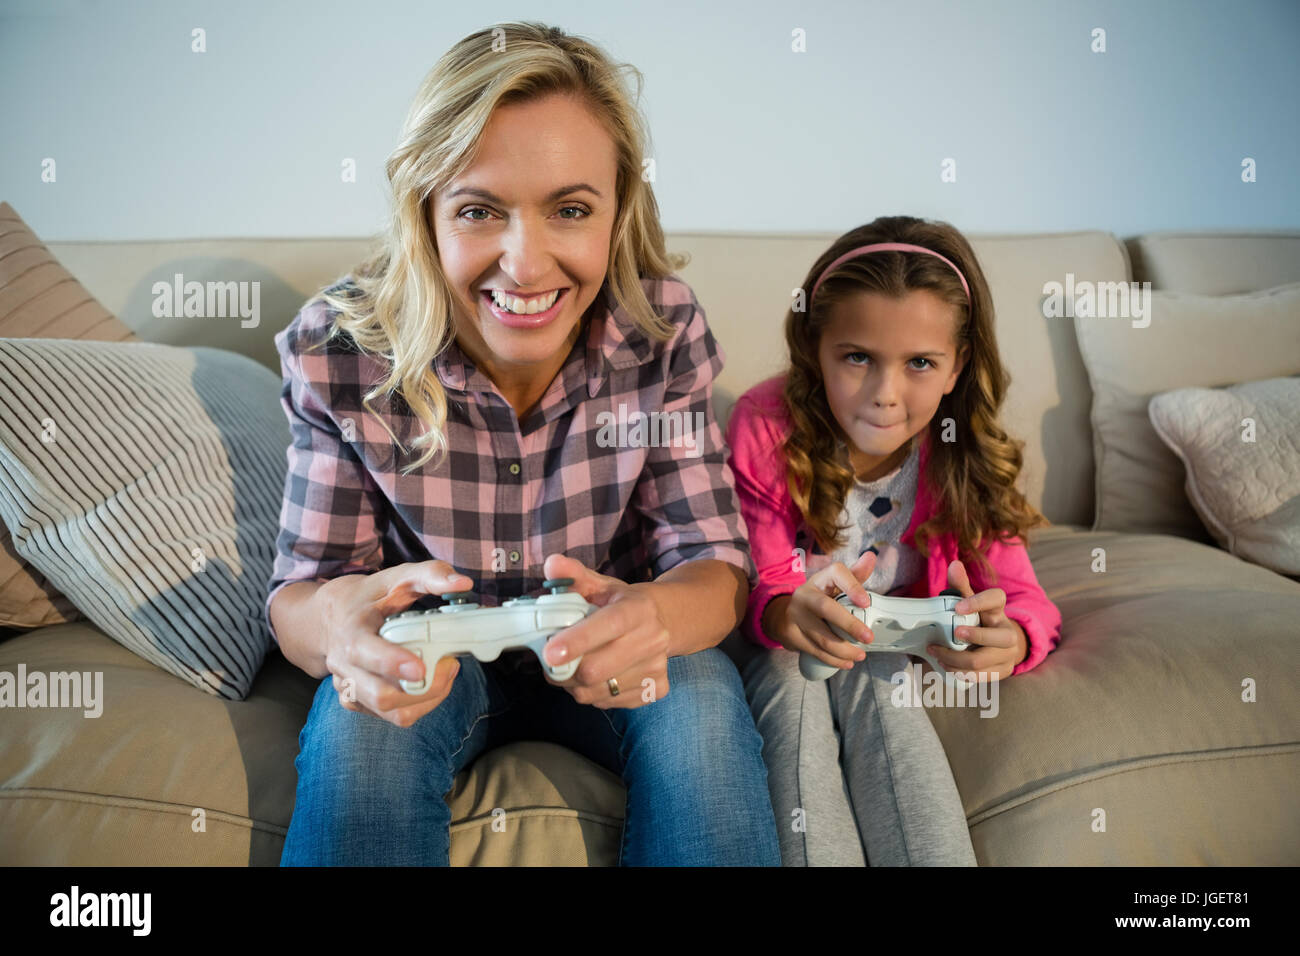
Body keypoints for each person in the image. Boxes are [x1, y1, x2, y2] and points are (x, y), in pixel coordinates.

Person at [266, 21, 780, 866]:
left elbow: (715, 568)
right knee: (360, 731)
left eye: (569, 210)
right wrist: (339, 625)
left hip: (604, 634)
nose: (525, 262)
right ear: (425, 216)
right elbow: (304, 594)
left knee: (696, 695)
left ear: (618, 216)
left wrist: (652, 613)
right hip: (434, 649)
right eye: (478, 211)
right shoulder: (341, 349)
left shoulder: (661, 328)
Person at [724, 215, 1062, 866]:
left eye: (920, 364)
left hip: (888, 649)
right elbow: (762, 584)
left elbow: (1025, 599)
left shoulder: (960, 453)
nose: (885, 395)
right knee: (791, 681)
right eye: (857, 358)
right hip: (788, 643)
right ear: (814, 347)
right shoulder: (766, 427)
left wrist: (1012, 637)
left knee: (887, 683)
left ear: (957, 366)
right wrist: (786, 612)